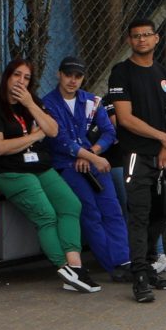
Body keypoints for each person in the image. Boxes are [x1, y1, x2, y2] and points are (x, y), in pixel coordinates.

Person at [0, 58, 101, 293]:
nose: (21, 81)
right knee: (46, 215)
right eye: (17, 75)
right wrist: (35, 137)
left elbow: (53, 130)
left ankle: (76, 268)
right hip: (10, 171)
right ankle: (64, 267)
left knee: (71, 205)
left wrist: (29, 104)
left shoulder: (31, 100)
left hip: (38, 167)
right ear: (7, 76)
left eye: (26, 78)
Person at [105, 17, 166, 290]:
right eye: (136, 36)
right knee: (140, 214)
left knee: (159, 215)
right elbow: (125, 119)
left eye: (146, 35)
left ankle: (150, 266)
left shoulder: (164, 74)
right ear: (129, 40)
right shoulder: (121, 73)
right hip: (136, 156)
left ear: (156, 39)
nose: (141, 39)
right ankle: (139, 274)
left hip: (162, 157)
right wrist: (162, 137)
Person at [44, 58, 133, 280]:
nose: (73, 80)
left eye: (78, 76)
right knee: (90, 212)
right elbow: (59, 140)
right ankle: (113, 266)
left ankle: (125, 261)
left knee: (112, 209)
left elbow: (109, 133)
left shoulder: (92, 101)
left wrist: (92, 153)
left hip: (93, 163)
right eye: (68, 75)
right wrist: (88, 155)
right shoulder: (48, 103)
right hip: (67, 166)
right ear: (59, 75)